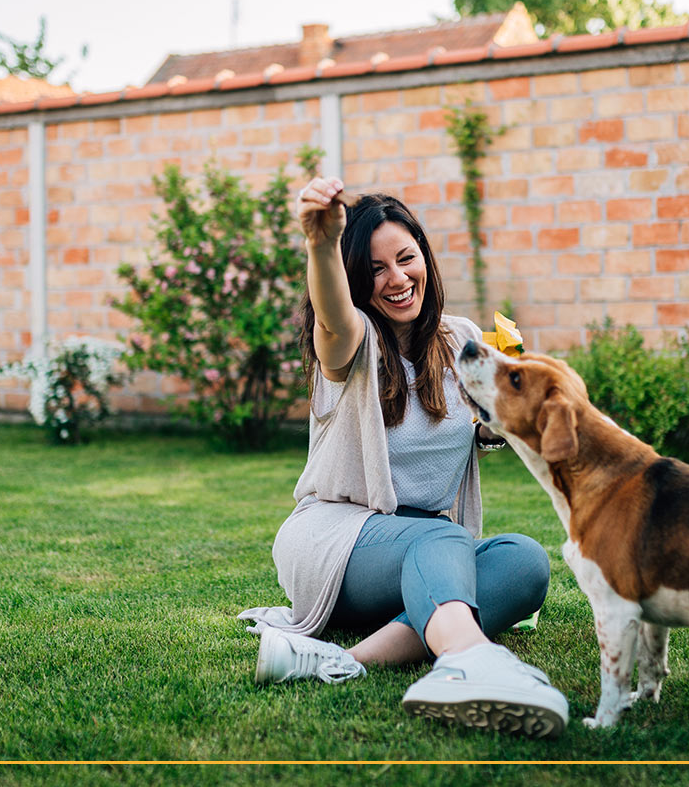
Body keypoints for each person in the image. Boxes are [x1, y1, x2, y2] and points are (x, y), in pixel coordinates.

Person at [238, 177, 569, 739]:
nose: (396, 279)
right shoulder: (355, 342)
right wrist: (321, 246)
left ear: (425, 259)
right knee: (443, 539)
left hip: (416, 556)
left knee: (525, 562)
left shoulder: (459, 338)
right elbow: (333, 321)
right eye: (373, 269)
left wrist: (503, 417)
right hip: (335, 544)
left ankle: (341, 661)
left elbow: (491, 428)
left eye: (405, 258)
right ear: (353, 281)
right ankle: (471, 660)